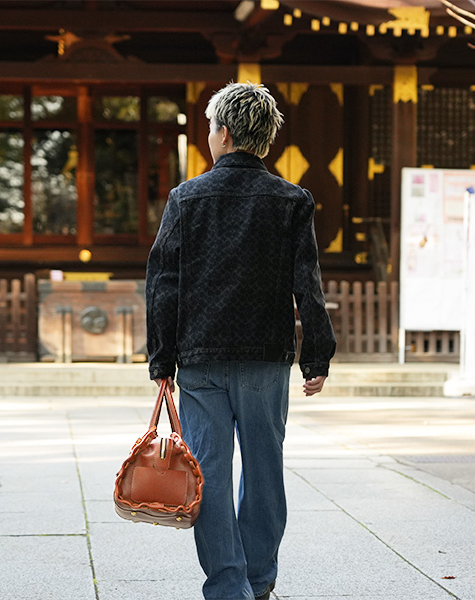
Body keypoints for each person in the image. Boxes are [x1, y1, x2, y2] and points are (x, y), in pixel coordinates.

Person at [145, 82, 336, 600]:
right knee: (265, 474)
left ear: (223, 133)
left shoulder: (186, 199)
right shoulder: (292, 200)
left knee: (207, 475)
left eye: (209, 128)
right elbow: (307, 284)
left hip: (201, 360)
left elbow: (164, 282)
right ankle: (260, 581)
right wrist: (316, 354)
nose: (209, 135)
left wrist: (161, 358)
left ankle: (229, 589)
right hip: (264, 361)